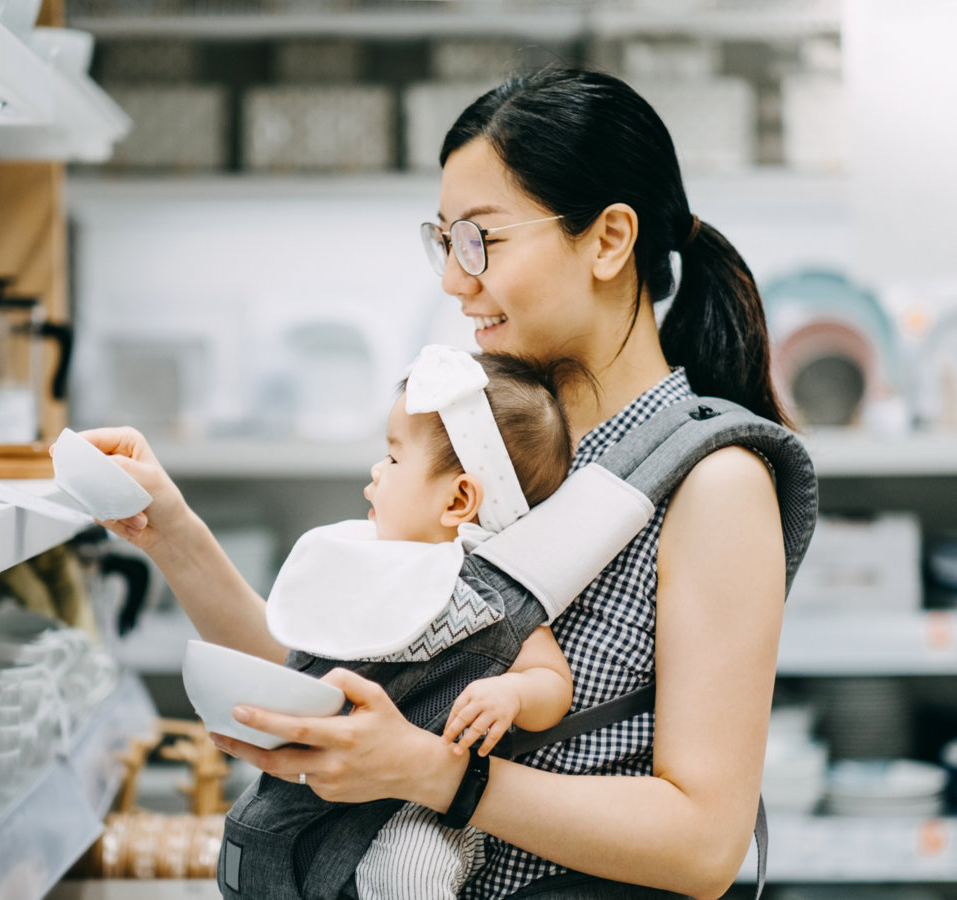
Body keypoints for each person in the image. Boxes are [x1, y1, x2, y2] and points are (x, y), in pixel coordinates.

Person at [82, 66, 800, 900]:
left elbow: (705, 846)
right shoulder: (486, 444)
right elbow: (329, 687)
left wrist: (438, 776)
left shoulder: (716, 484)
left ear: (608, 239)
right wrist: (169, 529)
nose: (456, 280)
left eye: (481, 240)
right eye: (445, 240)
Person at [261, 345, 577, 900]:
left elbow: (553, 681)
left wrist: (513, 693)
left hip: (427, 809)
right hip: (335, 787)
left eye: (395, 459)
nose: (377, 472)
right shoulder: (366, 561)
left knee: (403, 872)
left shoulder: (493, 588)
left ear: (459, 499)